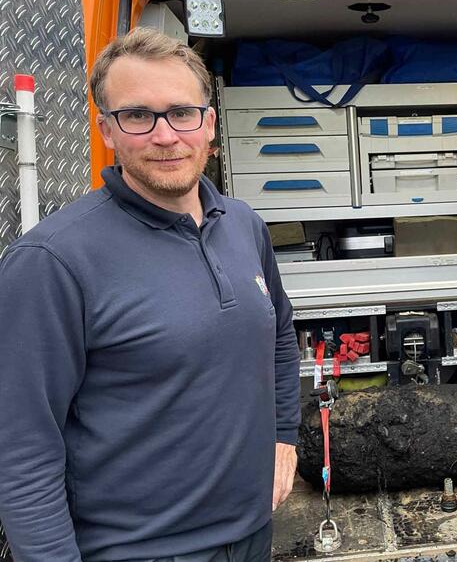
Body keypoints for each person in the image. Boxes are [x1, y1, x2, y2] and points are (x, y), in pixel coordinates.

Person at [0, 28, 301, 561]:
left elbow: (278, 331)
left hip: (252, 534)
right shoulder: (53, 261)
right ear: (107, 131)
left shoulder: (244, 226)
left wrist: (284, 432)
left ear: (209, 123)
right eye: (138, 116)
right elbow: (22, 449)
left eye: (182, 113)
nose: (166, 136)